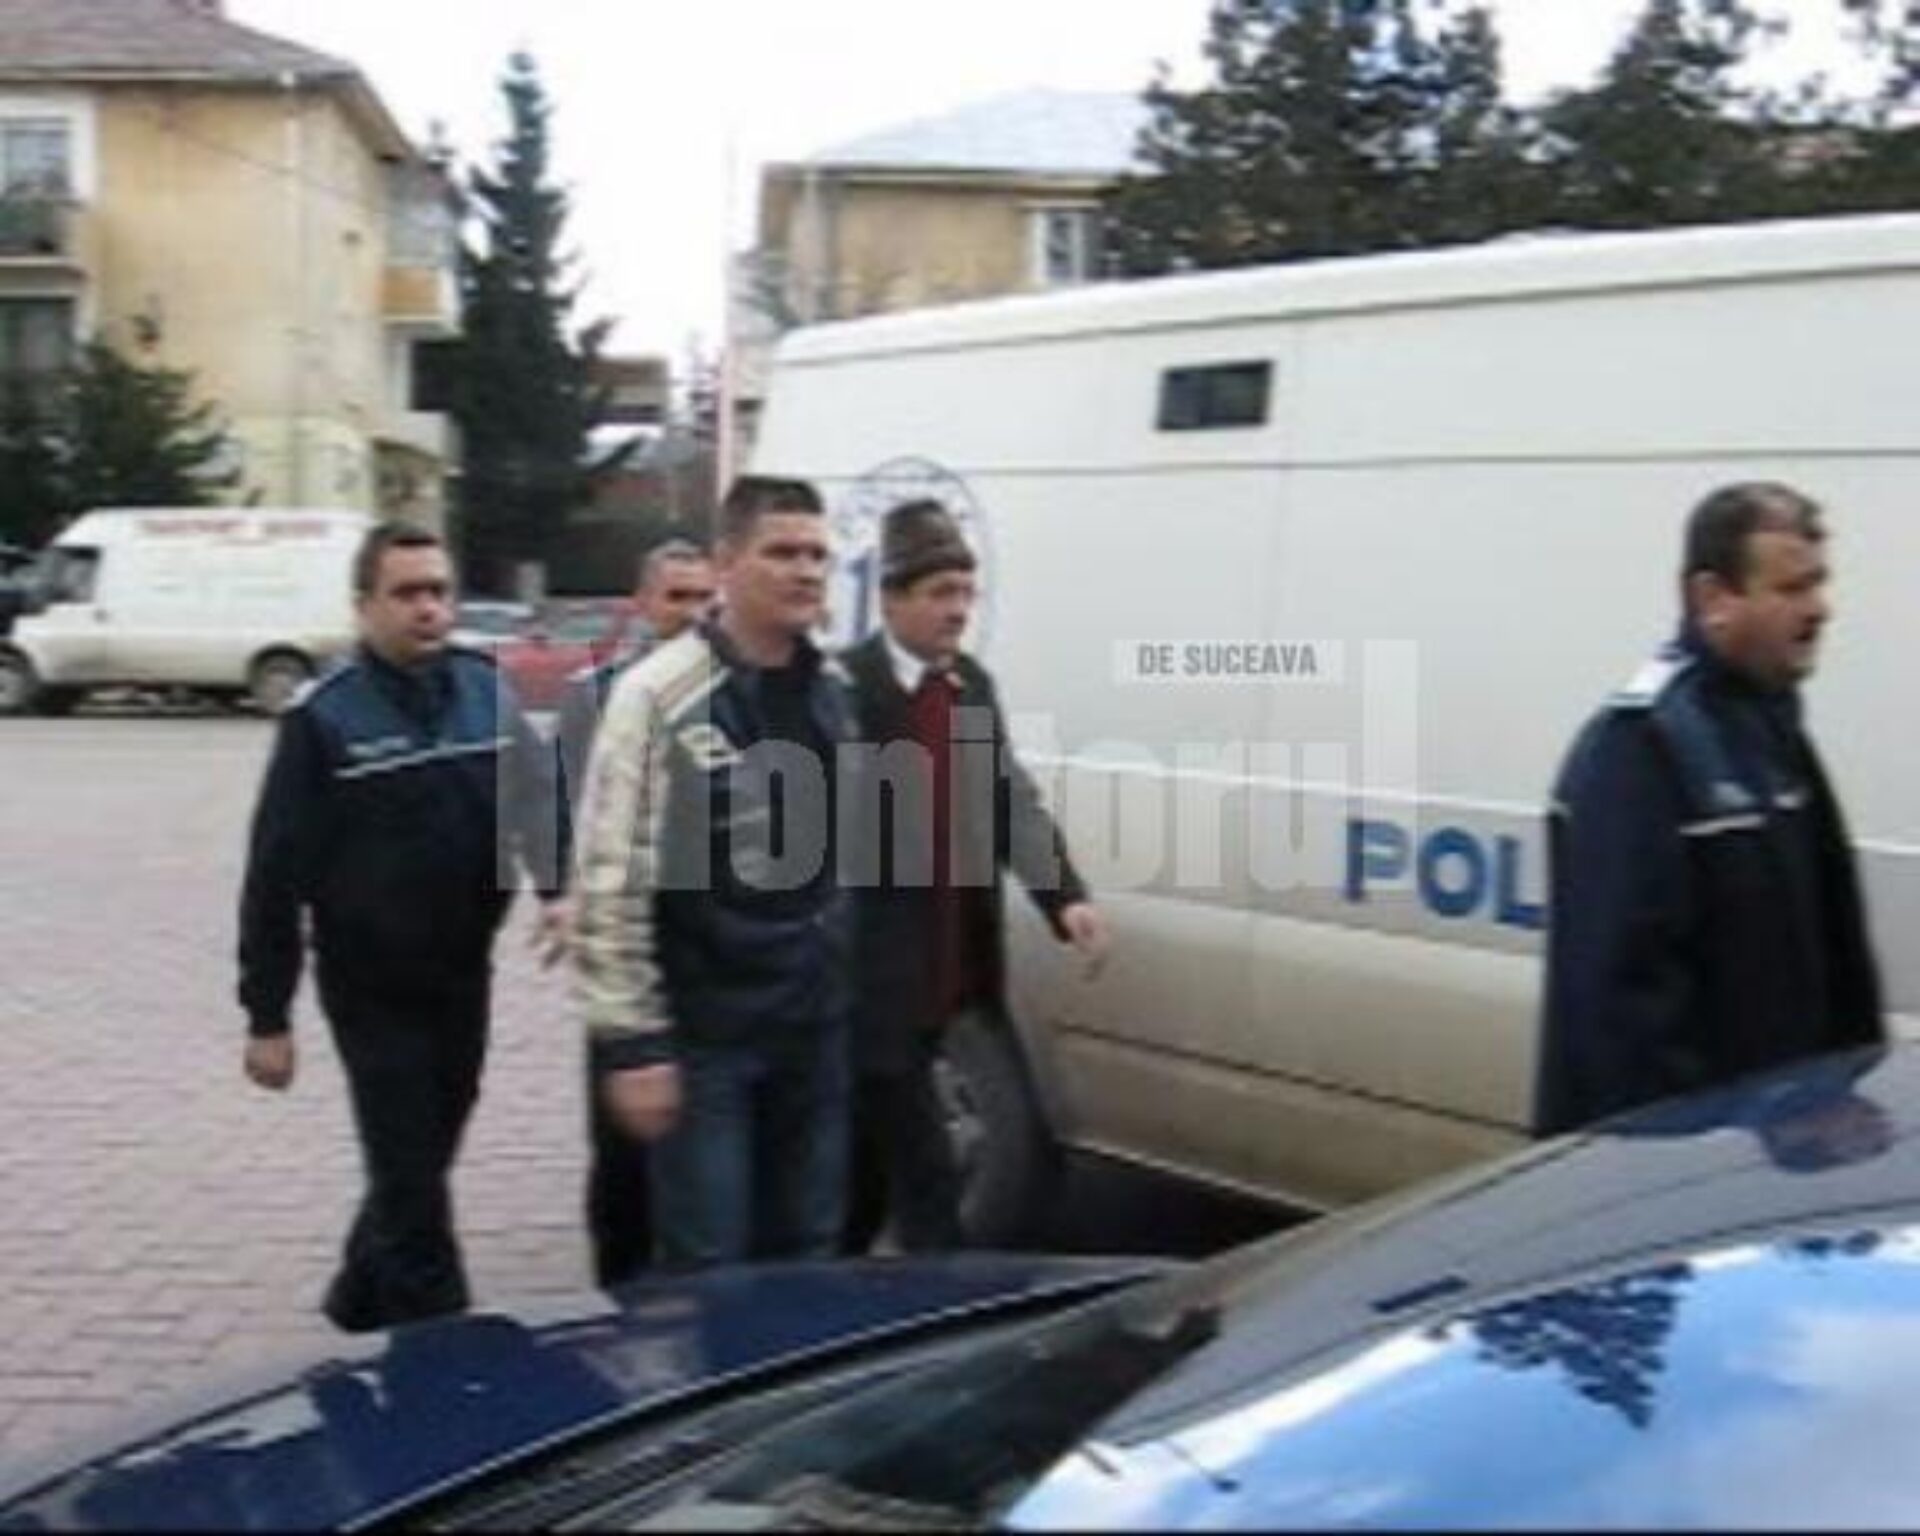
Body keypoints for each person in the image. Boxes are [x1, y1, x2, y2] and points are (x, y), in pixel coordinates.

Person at [237, 522, 568, 1332]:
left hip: (463, 974)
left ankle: (355, 1303)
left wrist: (558, 888)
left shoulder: (487, 691)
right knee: (414, 1183)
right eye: (407, 593)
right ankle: (452, 1355)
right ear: (364, 607)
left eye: (439, 591)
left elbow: (537, 798)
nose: (428, 608)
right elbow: (273, 877)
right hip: (371, 989)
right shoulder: (323, 720)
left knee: (417, 1160)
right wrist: (268, 1016)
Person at [1534, 482, 1883, 1136]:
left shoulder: (1772, 731)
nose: (1819, 609)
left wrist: (1844, 1089)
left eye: (1818, 583)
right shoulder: (1643, 749)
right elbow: (1622, 1022)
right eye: (1791, 589)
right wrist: (1737, 1142)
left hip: (1769, 1155)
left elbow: (1835, 957)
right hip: (1672, 1168)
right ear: (1712, 599)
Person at [571, 475, 855, 1268]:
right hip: (708, 1039)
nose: (805, 571)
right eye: (782, 552)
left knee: (808, 1250)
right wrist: (633, 1044)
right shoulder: (659, 695)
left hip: (814, 1030)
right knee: (711, 1263)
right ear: (727, 563)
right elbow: (611, 878)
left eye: (817, 555)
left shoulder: (833, 691)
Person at [840, 500, 1109, 1253]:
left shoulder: (970, 686)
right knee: (912, 1181)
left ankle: (854, 1281)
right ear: (891, 599)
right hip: (872, 987)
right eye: (939, 593)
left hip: (953, 979)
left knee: (871, 1180)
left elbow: (1007, 796)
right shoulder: (846, 691)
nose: (958, 610)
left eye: (966, 593)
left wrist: (1065, 898)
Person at [553, 538, 715, 1287]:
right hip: (619, 940)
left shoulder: (729, 690)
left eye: (703, 597)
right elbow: (561, 808)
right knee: (619, 1149)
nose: (692, 612)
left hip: (700, 947)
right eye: (676, 596)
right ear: (644, 604)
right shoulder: (598, 694)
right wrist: (561, 895)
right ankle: (617, 1286)